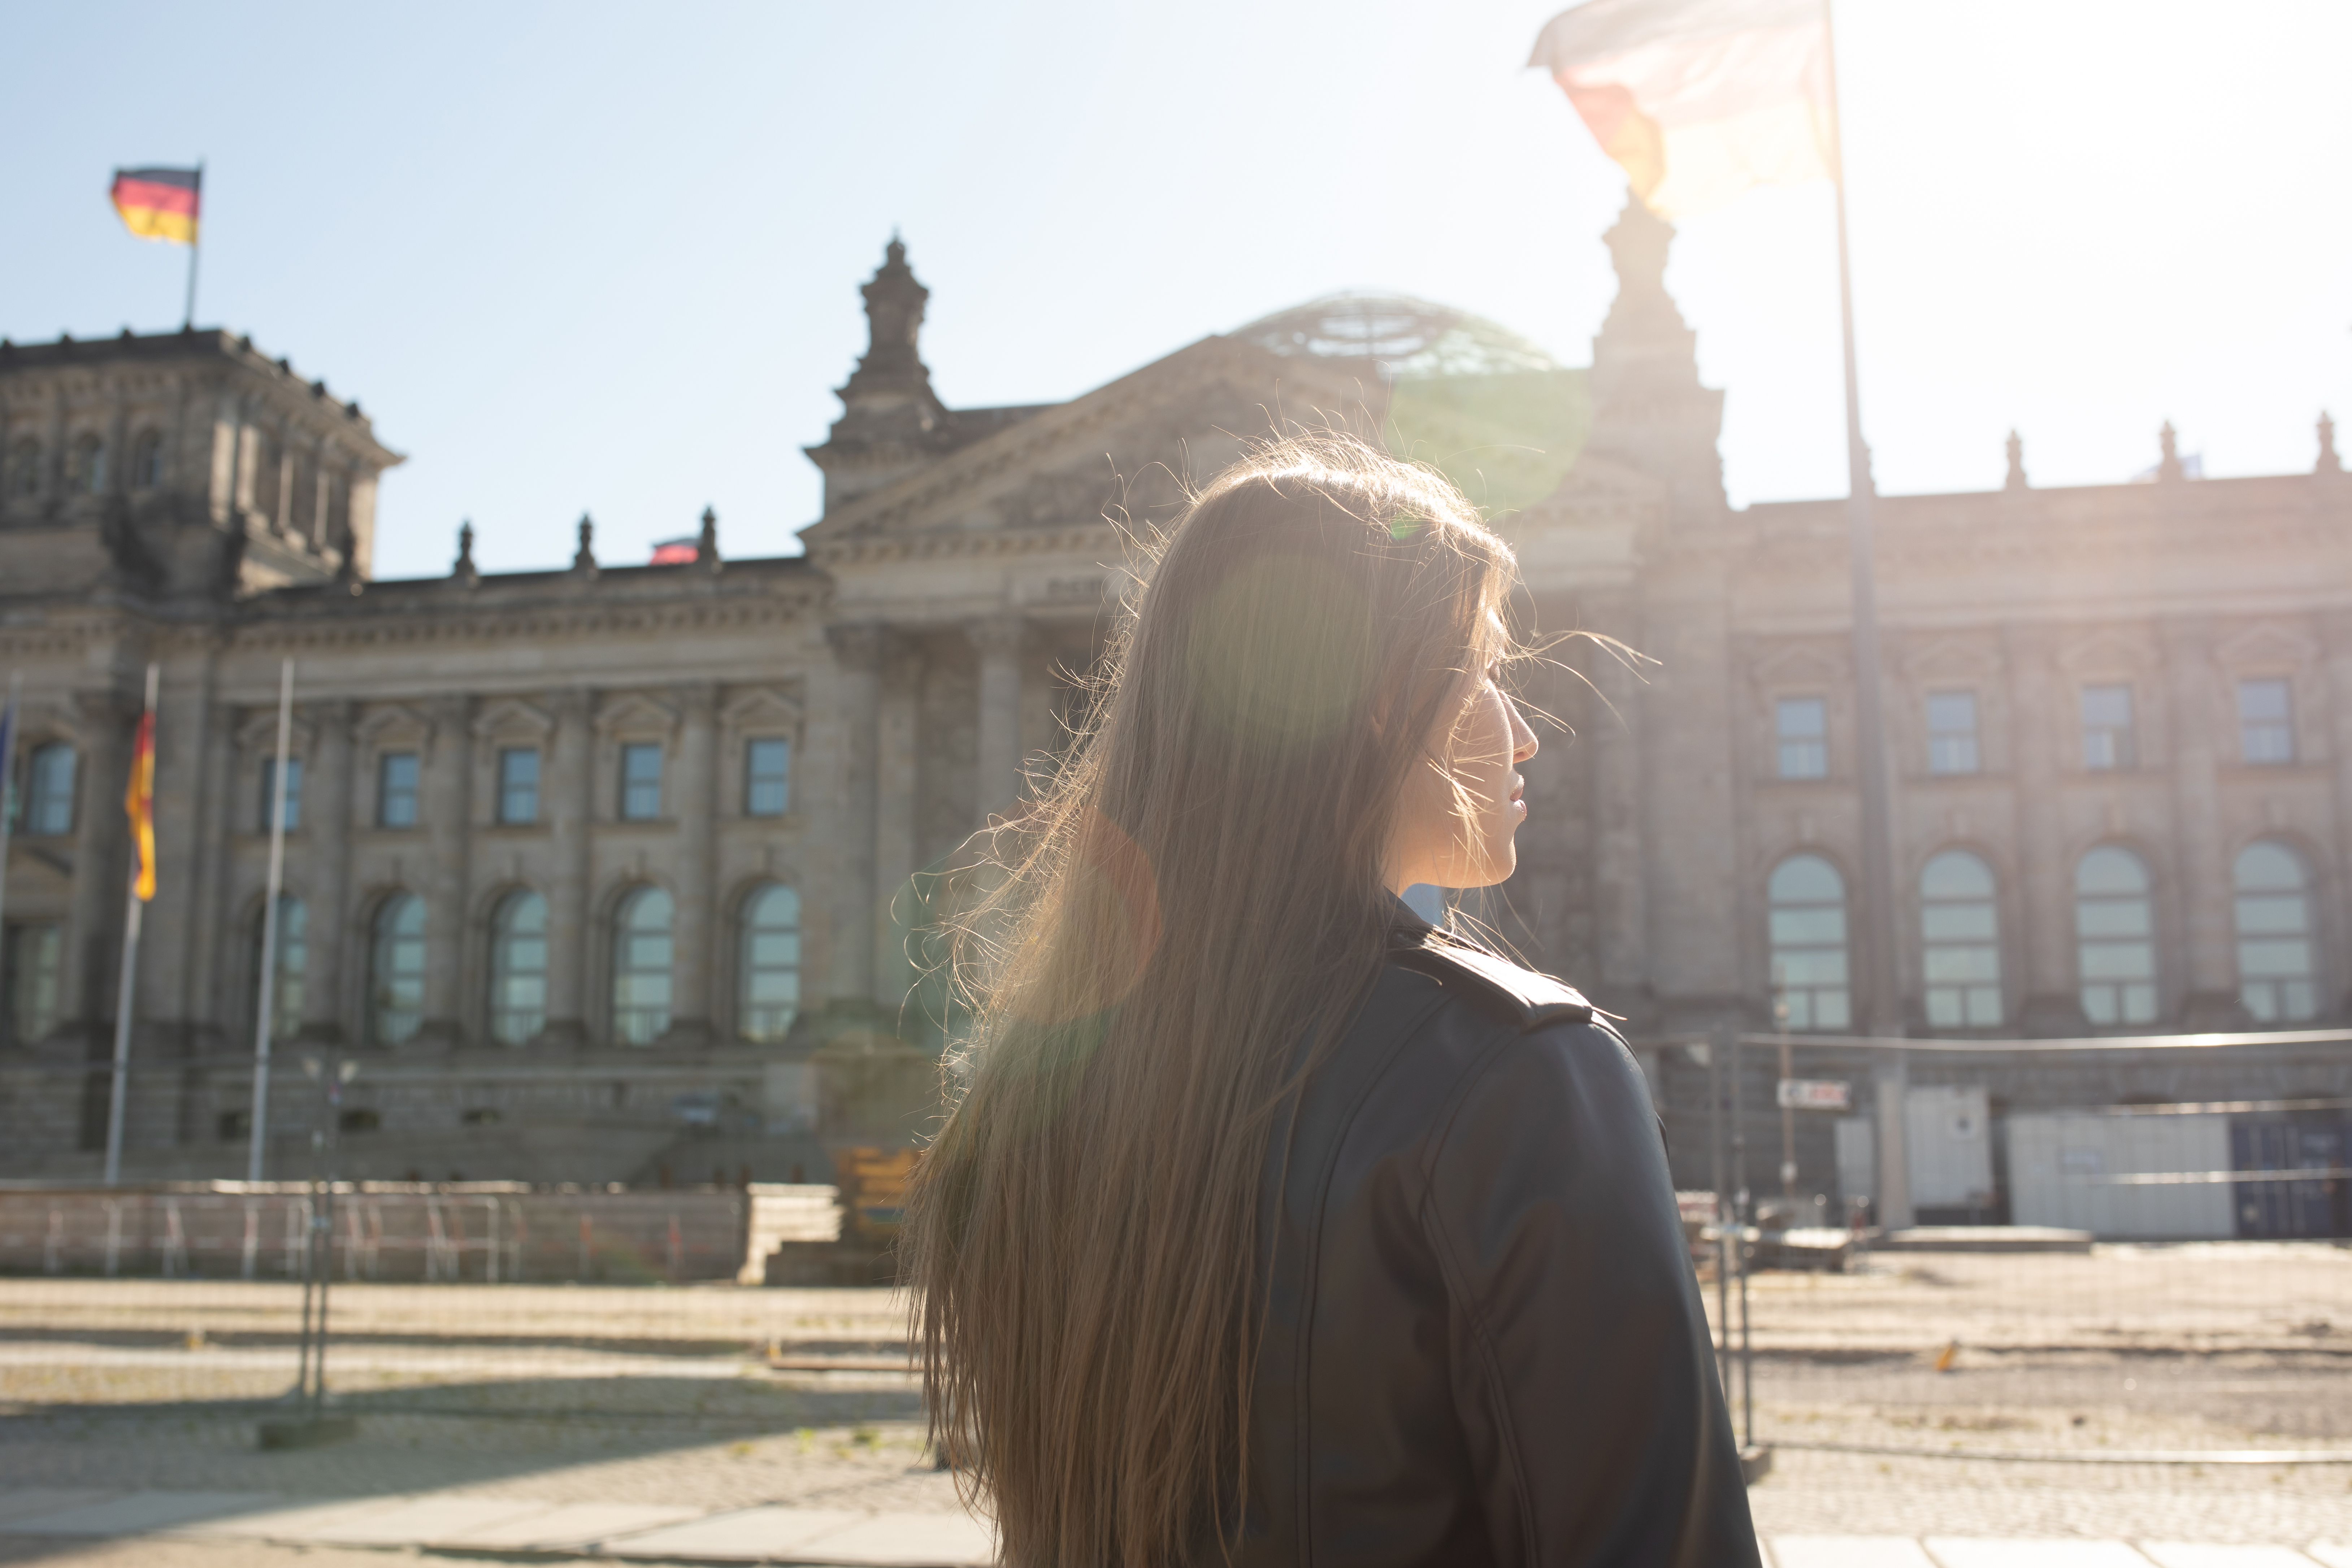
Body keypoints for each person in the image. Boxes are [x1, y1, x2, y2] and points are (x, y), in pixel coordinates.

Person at [901, 436, 1759, 1567]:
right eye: (1483, 672)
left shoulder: (1021, 1097)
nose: (1524, 732)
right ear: (1378, 700)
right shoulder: (1516, 1077)